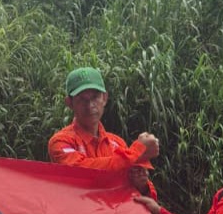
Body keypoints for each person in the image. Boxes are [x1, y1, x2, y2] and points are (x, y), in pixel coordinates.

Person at [48, 67, 160, 198]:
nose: (90, 105)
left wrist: (142, 187)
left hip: (115, 211)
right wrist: (136, 152)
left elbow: (145, 197)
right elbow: (80, 171)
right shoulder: (60, 142)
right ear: (69, 103)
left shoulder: (117, 143)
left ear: (105, 98)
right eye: (82, 99)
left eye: (95, 97)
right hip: (77, 210)